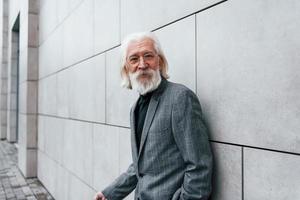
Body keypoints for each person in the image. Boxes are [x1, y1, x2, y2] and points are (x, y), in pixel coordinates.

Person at [94, 32, 213, 200]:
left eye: (148, 56)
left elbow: (199, 167)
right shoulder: (135, 108)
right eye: (134, 59)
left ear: (160, 61)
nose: (142, 64)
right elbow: (140, 166)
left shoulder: (180, 98)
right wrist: (109, 193)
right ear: (126, 67)